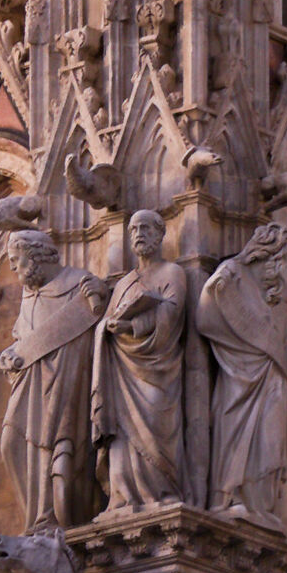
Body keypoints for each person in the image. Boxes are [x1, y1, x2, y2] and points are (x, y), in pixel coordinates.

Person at [0, 228, 107, 530]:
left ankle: (51, 519)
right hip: (30, 385)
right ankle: (34, 516)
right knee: (9, 443)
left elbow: (98, 323)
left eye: (16, 260)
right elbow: (24, 338)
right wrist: (9, 354)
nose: (14, 268)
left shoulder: (79, 285)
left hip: (66, 384)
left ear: (35, 256)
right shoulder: (30, 295)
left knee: (59, 459)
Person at [197, 221, 287, 531]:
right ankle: (231, 496)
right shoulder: (232, 275)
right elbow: (206, 317)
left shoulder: (277, 295)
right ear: (269, 256)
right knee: (235, 433)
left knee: (270, 444)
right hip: (238, 376)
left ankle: (263, 506)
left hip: (273, 381)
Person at [93, 211, 189, 512]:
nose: (139, 234)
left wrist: (132, 327)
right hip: (122, 374)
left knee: (158, 433)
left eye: (146, 228)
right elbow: (108, 320)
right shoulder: (123, 284)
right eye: (133, 228)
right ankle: (123, 497)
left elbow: (172, 315)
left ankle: (161, 492)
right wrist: (109, 328)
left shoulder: (172, 273)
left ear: (161, 234)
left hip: (158, 369)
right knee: (122, 448)